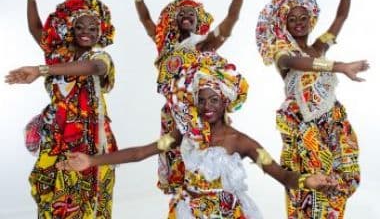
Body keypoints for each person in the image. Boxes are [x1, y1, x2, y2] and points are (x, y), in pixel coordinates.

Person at [56, 67, 337, 218]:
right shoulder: (183, 134)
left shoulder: (242, 142)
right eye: (201, 100)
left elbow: (281, 174)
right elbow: (140, 153)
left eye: (213, 99)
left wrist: (307, 181)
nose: (206, 106)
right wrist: (91, 161)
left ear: (226, 101)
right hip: (188, 211)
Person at [255, 0, 369, 218]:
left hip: (332, 119)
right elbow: (297, 62)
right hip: (302, 122)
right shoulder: (282, 51)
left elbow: (340, 18)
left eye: (302, 17)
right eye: (292, 19)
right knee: (314, 178)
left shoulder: (319, 46)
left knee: (341, 176)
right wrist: (339, 66)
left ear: (310, 19)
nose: (298, 23)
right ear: (285, 23)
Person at [5, 0, 118, 218]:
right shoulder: (60, 55)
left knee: (86, 194)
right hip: (57, 133)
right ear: (71, 29)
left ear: (102, 32)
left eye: (93, 27)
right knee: (48, 187)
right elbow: (36, 29)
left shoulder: (100, 57)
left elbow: (90, 69)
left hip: (90, 136)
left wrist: (41, 70)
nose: (86, 31)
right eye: (80, 26)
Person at [131, 0, 246, 194]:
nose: (186, 16)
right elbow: (145, 20)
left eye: (191, 14)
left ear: (197, 21)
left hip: (203, 112)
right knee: (176, 164)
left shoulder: (204, 44)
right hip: (173, 114)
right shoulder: (166, 46)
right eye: (181, 13)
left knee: (207, 167)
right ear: (174, 21)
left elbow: (231, 18)